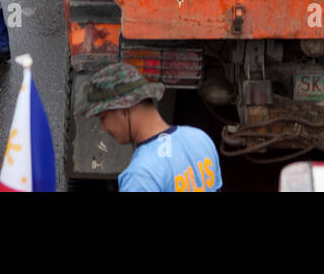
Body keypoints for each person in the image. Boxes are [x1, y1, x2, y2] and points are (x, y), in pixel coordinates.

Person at [83, 63, 222, 192]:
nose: (102, 127)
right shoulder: (200, 139)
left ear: (123, 109)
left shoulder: (140, 176)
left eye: (103, 117)